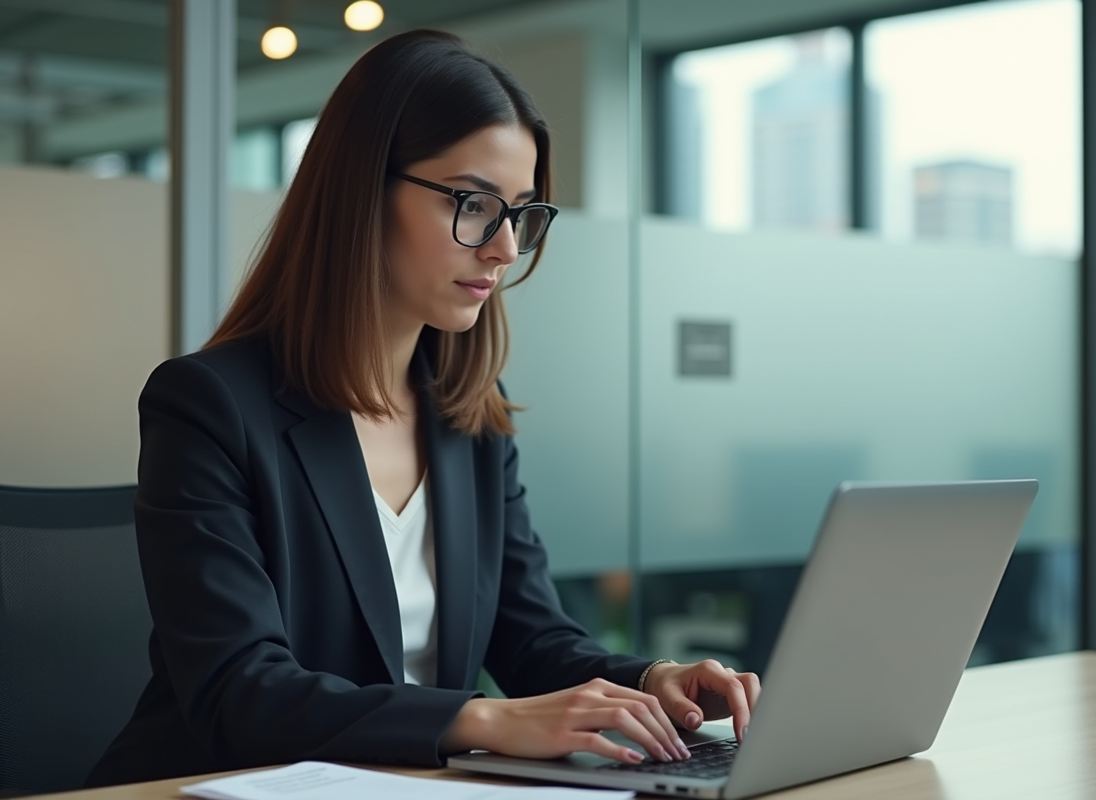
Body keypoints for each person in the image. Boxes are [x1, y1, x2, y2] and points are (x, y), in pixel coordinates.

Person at [86, 29, 760, 788]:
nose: (504, 248)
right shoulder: (209, 405)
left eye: (520, 213)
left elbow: (531, 638)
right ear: (364, 190)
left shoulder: (469, 415)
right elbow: (239, 692)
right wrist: (484, 720)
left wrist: (652, 682)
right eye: (475, 204)